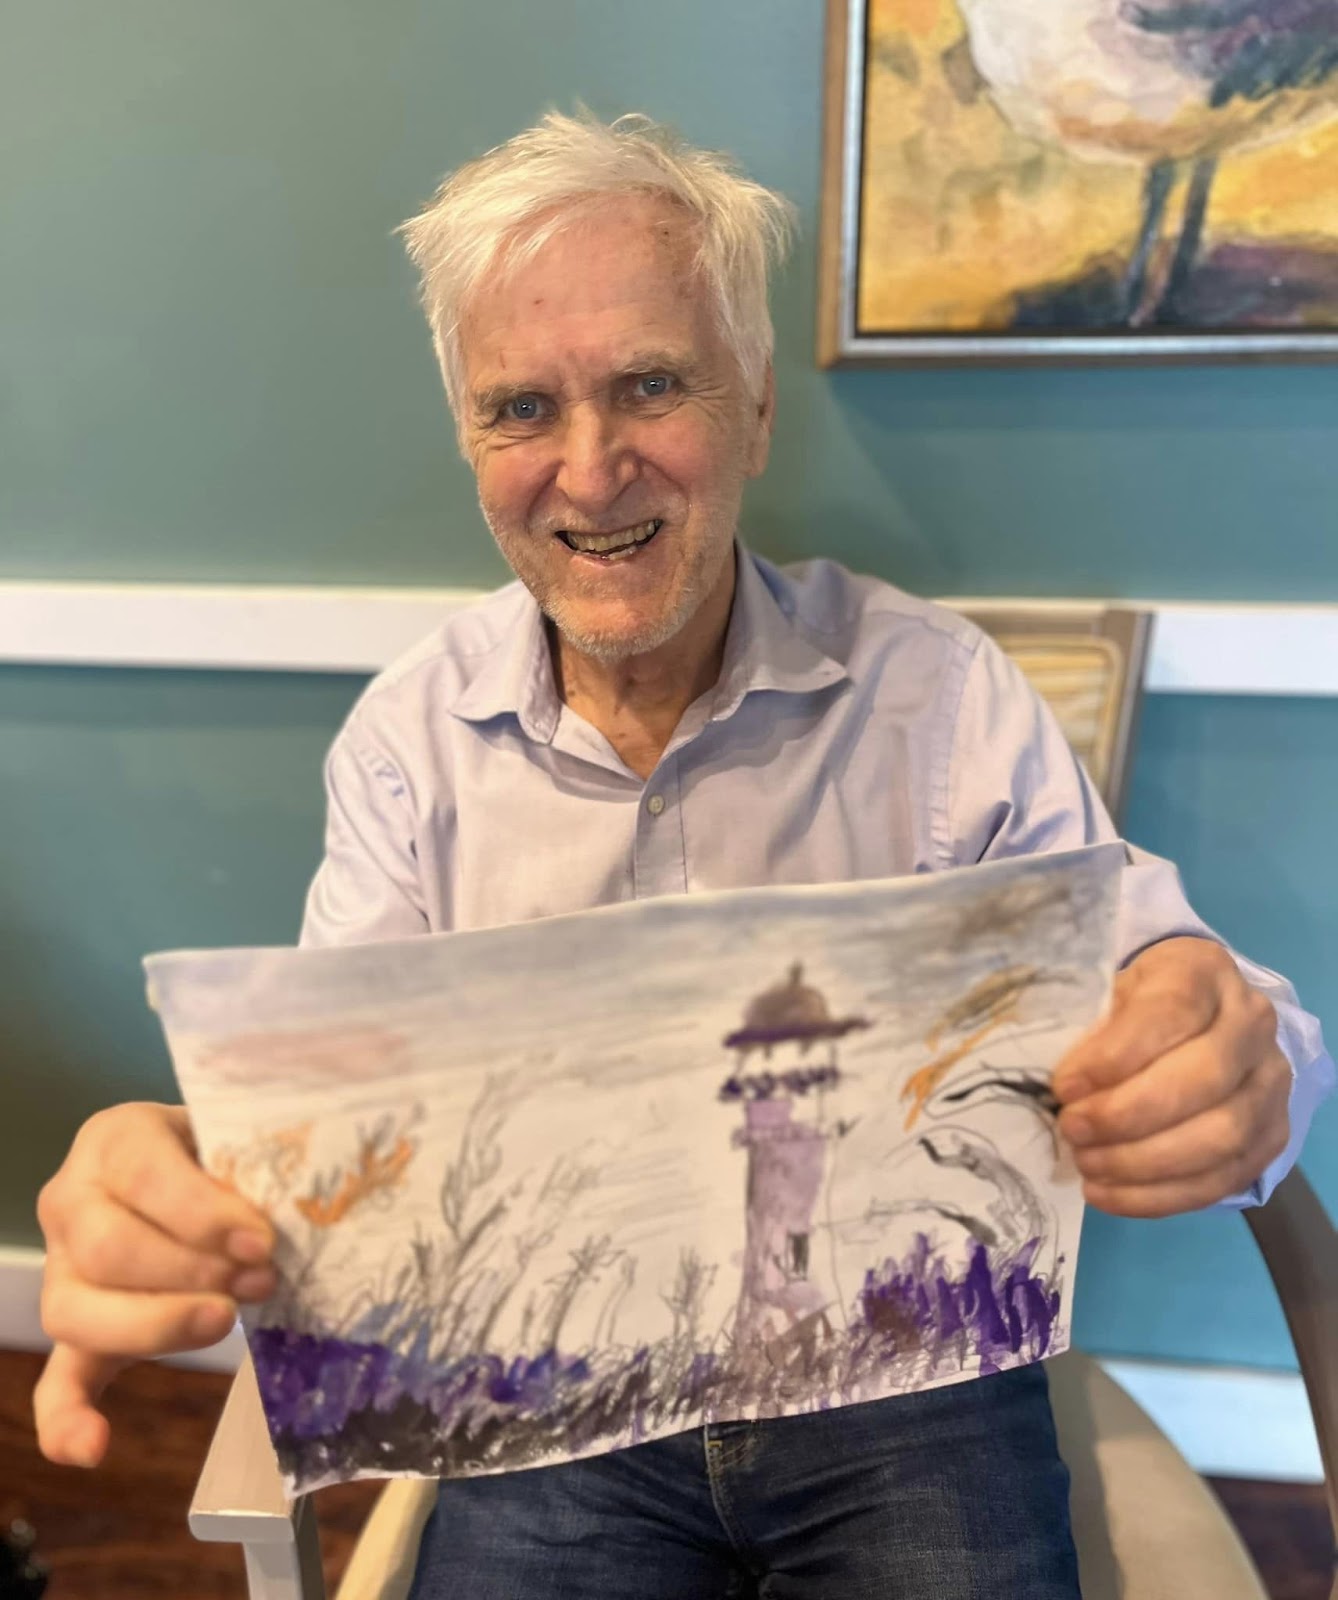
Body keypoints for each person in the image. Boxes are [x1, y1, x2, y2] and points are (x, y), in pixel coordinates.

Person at [34, 112, 1333, 1598]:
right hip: (550, 1400)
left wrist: (1235, 1060)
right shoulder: (409, 745)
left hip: (902, 1389)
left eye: (651, 384)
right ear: (470, 439)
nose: (589, 473)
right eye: (521, 408)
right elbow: (338, 1138)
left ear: (757, 405)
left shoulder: (940, 700)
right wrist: (187, 1175)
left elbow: (1207, 1000)